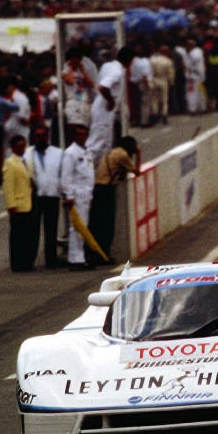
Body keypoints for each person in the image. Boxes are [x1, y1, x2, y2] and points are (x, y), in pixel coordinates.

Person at [87, 136, 140, 265]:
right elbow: (137, 171)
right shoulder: (122, 155)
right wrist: (139, 155)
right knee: (107, 225)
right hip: (106, 190)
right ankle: (103, 255)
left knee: (97, 225)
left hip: (99, 188)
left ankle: (96, 254)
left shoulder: (114, 152)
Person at [86, 45, 132, 167]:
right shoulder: (117, 72)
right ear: (129, 61)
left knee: (106, 143)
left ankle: (100, 171)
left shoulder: (108, 66)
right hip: (104, 108)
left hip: (101, 106)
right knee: (96, 144)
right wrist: (110, 100)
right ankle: (85, 171)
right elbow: (103, 87)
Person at [24, 124, 63, 269]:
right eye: (38, 136)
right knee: (32, 230)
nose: (41, 138)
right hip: (35, 197)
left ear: (48, 136)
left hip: (52, 195)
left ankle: (51, 259)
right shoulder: (27, 154)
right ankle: (29, 260)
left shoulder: (58, 153)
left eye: (43, 135)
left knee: (51, 230)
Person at [60, 123, 96, 270]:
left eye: (84, 134)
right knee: (77, 228)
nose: (82, 137)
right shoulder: (71, 153)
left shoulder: (86, 152)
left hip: (86, 194)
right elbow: (66, 176)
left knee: (83, 226)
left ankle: (80, 257)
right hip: (76, 195)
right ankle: (75, 259)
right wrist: (69, 195)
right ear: (74, 136)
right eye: (79, 134)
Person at [2, 133, 38, 272]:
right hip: (18, 204)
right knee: (18, 236)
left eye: (23, 146)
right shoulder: (10, 163)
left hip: (28, 202)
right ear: (12, 148)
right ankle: (17, 263)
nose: (21, 148)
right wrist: (10, 204)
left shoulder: (25, 161)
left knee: (28, 235)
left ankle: (27, 262)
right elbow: (8, 185)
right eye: (18, 146)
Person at [148, 43, 175, 125]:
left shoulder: (151, 60)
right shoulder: (167, 61)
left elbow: (149, 71)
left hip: (154, 79)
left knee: (154, 99)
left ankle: (155, 113)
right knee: (164, 99)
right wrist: (171, 82)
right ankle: (164, 114)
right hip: (163, 80)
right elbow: (171, 74)